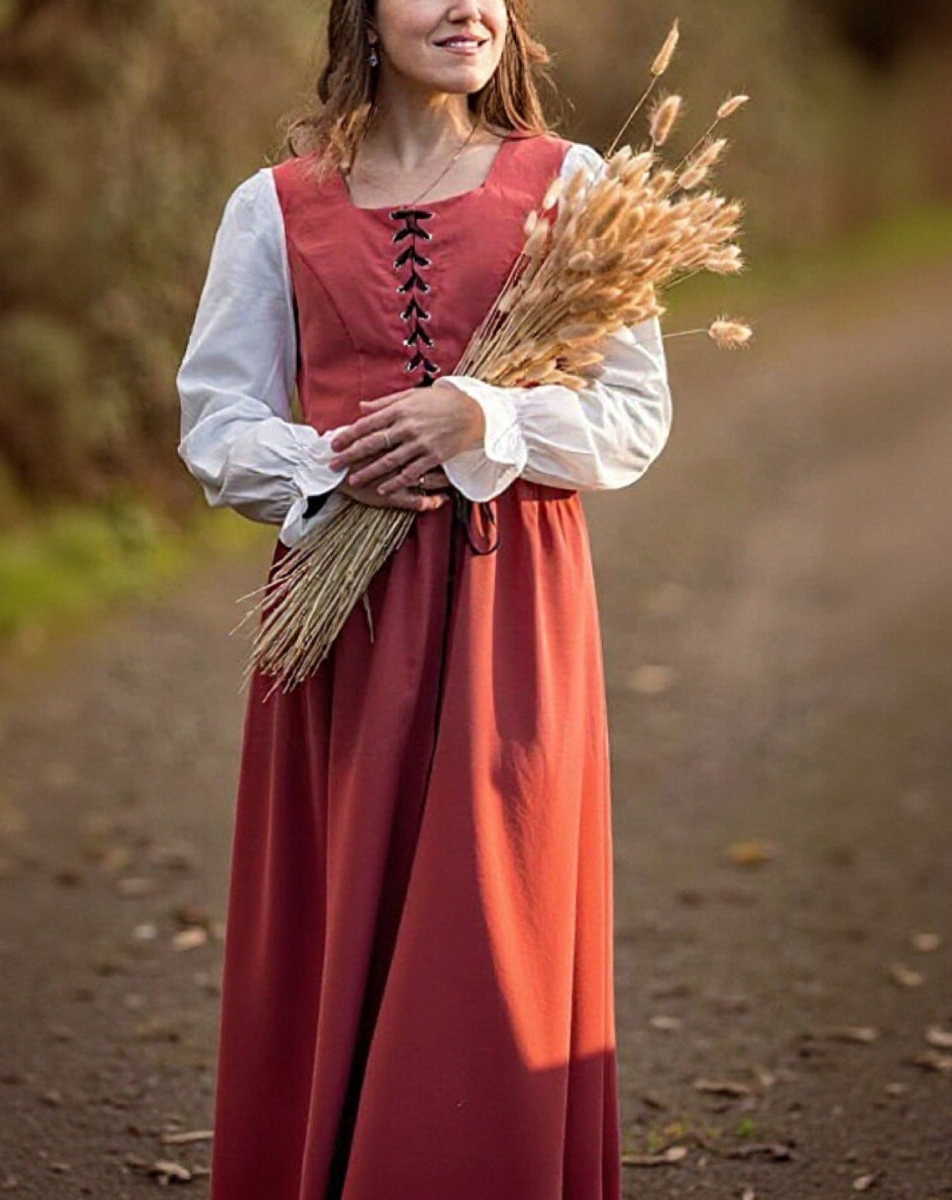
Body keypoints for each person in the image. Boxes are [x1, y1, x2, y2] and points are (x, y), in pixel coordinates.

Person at [174, 1, 672, 1196]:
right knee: (340, 918)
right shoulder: (275, 206)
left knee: (496, 927)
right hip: (339, 624)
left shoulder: (572, 182)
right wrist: (336, 463)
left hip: (518, 616)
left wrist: (480, 417)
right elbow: (217, 418)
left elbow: (632, 416)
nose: (467, 7)